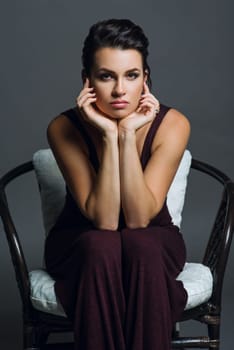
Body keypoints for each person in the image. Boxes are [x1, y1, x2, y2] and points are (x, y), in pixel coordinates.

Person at [44, 18, 190, 350]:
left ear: (146, 79)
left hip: (153, 237)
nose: (120, 90)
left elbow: (139, 220)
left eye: (131, 75)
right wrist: (111, 135)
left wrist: (127, 134)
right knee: (102, 245)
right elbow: (106, 222)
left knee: (142, 245)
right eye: (106, 76)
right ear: (87, 81)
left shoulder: (173, 124)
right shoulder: (62, 128)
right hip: (82, 239)